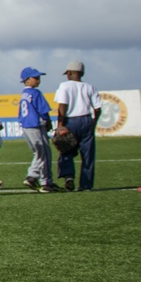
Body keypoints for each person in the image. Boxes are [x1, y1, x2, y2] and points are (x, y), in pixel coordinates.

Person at [52, 61, 100, 191]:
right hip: (86, 120)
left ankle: (68, 177)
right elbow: (97, 108)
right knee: (88, 155)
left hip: (70, 121)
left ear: (69, 72)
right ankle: (86, 185)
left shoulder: (64, 86)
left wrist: (60, 125)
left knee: (66, 149)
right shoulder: (90, 87)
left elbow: (62, 106)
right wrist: (93, 123)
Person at [17, 67, 56, 192]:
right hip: (36, 125)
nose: (38, 80)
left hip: (26, 126)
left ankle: (41, 179)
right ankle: (37, 178)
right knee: (43, 153)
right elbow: (43, 110)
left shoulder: (24, 94)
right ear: (27, 80)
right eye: (36, 78)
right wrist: (49, 123)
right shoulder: (35, 93)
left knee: (39, 153)